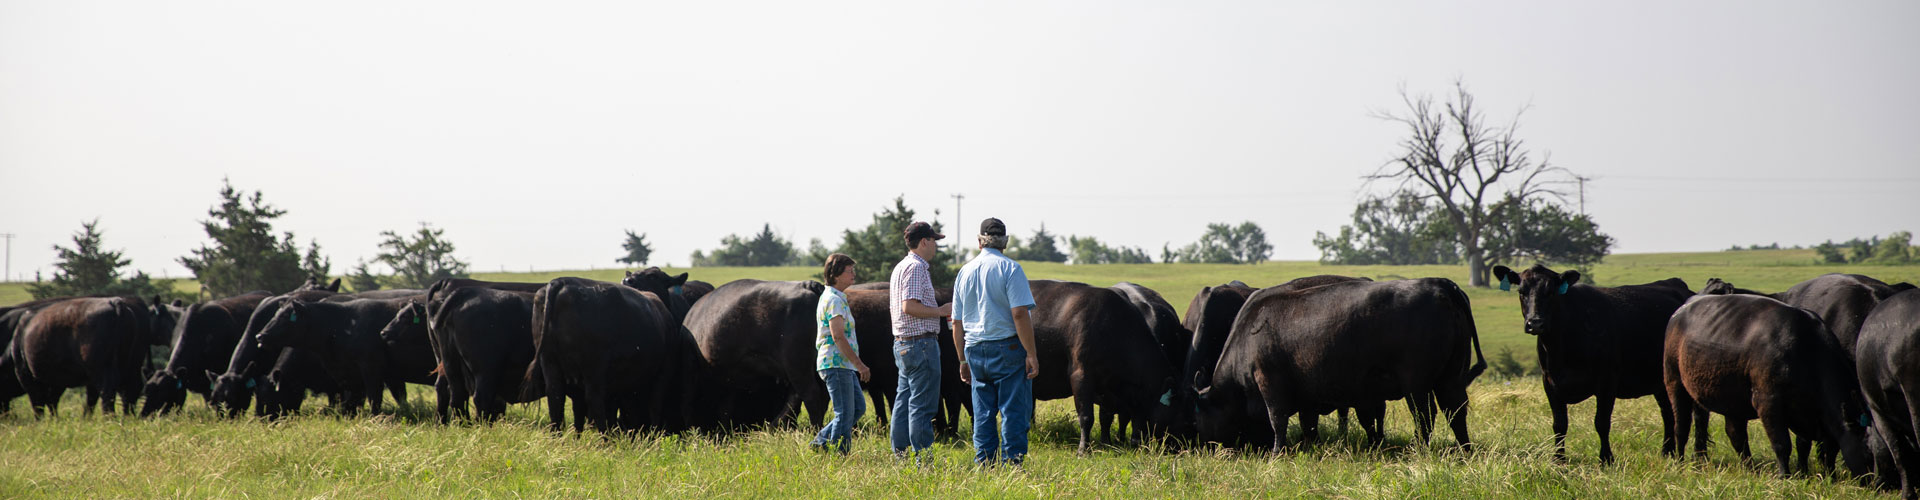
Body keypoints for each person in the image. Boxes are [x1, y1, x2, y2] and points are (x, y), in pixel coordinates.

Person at [951, 217, 1038, 466]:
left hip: (974, 348)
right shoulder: (1011, 269)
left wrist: (961, 359)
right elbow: (1019, 313)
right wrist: (1031, 353)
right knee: (1013, 411)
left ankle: (985, 463)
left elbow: (956, 322)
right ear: (1005, 242)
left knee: (983, 412)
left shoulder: (964, 272)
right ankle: (1013, 463)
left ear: (979, 241)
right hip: (1008, 348)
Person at [890, 221, 953, 459]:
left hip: (904, 343)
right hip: (920, 344)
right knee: (922, 405)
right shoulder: (916, 268)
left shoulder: (901, 266)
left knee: (904, 400)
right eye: (934, 240)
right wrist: (940, 310)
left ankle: (901, 455)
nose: (936, 245)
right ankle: (923, 460)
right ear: (925, 241)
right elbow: (910, 306)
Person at [810, 253, 868, 455]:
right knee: (844, 413)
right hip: (836, 363)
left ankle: (820, 443)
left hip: (843, 364)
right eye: (849, 271)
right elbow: (838, 336)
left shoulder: (835, 298)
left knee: (858, 408)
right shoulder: (833, 300)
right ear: (835, 274)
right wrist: (859, 364)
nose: (853, 274)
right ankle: (838, 455)